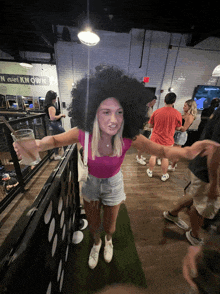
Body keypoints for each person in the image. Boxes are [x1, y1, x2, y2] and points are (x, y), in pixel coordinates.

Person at [13, 66, 219, 270]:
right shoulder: (84, 132)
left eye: (119, 112)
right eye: (106, 112)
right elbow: (56, 140)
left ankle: (108, 240)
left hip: (113, 183)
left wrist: (187, 151)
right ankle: (96, 243)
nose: (113, 119)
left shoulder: (128, 135)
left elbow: (163, 152)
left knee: (110, 226)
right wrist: (37, 144)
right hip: (91, 182)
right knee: (94, 225)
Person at [163, 107, 220, 246]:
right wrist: (214, 184)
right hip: (206, 170)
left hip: (200, 165)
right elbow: (215, 152)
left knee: (195, 194)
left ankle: (172, 214)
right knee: (202, 205)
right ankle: (194, 234)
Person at [146, 92, 182, 182]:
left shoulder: (157, 111)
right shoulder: (177, 113)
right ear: (174, 102)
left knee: (153, 155)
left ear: (164, 100)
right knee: (165, 158)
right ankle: (164, 175)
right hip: (168, 140)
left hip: (155, 138)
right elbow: (178, 127)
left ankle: (150, 171)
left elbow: (150, 125)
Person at [168, 99, 197, 171]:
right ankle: (173, 163)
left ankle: (172, 166)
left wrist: (175, 126)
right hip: (177, 134)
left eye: (185, 106)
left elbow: (184, 129)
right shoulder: (184, 114)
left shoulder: (190, 116)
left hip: (181, 136)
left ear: (190, 107)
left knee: (176, 152)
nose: (183, 107)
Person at [44, 90, 66, 160]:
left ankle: (56, 155)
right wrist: (61, 115)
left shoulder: (48, 106)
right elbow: (53, 118)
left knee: (55, 140)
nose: (55, 99)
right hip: (55, 124)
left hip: (53, 125)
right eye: (55, 98)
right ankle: (66, 154)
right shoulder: (51, 107)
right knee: (65, 138)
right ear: (52, 98)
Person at [136, 96, 157, 165]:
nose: (155, 102)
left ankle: (139, 155)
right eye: (154, 100)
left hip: (147, 128)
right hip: (143, 128)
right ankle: (138, 157)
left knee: (144, 144)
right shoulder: (145, 108)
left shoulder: (149, 108)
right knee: (142, 144)